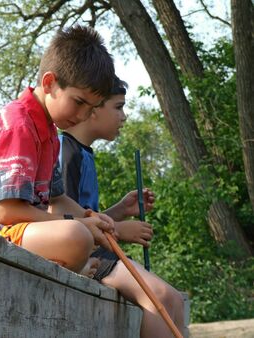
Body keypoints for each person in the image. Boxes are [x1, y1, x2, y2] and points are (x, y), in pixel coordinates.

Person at [0, 25, 117, 275]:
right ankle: (69, 265)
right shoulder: (19, 125)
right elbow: (8, 211)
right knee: (76, 236)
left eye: (90, 109)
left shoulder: (49, 132)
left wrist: (90, 216)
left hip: (6, 230)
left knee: (81, 233)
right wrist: (79, 223)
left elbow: (56, 197)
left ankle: (65, 263)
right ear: (49, 83)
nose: (82, 116)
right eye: (78, 102)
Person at [59, 76, 185, 337]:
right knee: (160, 296)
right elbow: (62, 220)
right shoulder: (66, 152)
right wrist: (117, 228)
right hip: (85, 257)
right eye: (118, 107)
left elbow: (85, 213)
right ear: (93, 109)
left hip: (95, 249)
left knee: (174, 300)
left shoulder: (83, 153)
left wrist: (120, 210)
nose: (124, 116)